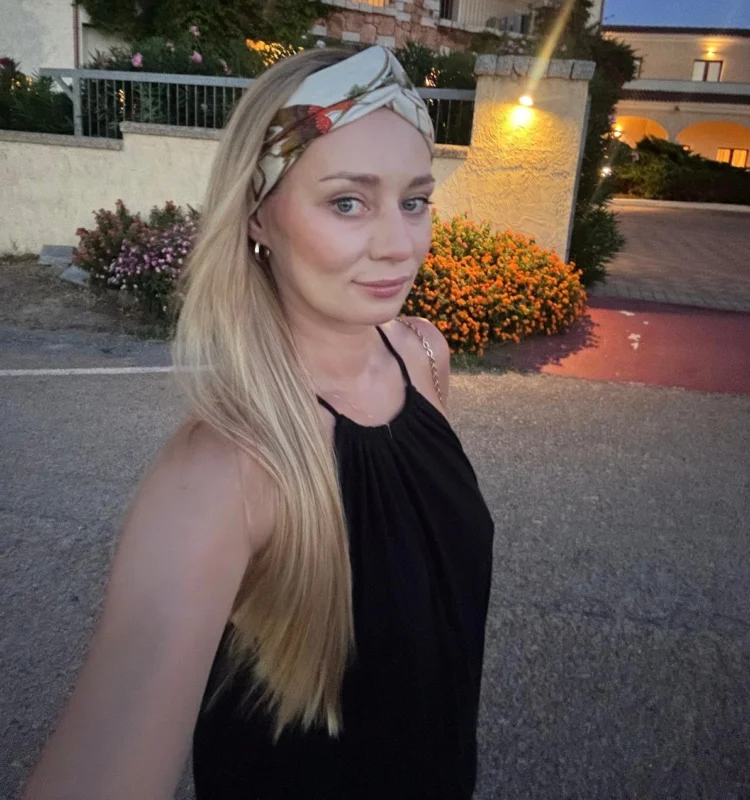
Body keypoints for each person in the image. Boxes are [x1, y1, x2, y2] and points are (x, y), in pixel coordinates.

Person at [23, 45, 495, 800]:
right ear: (257, 215)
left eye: (414, 201)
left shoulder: (423, 355)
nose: (399, 244)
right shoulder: (222, 472)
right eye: (348, 202)